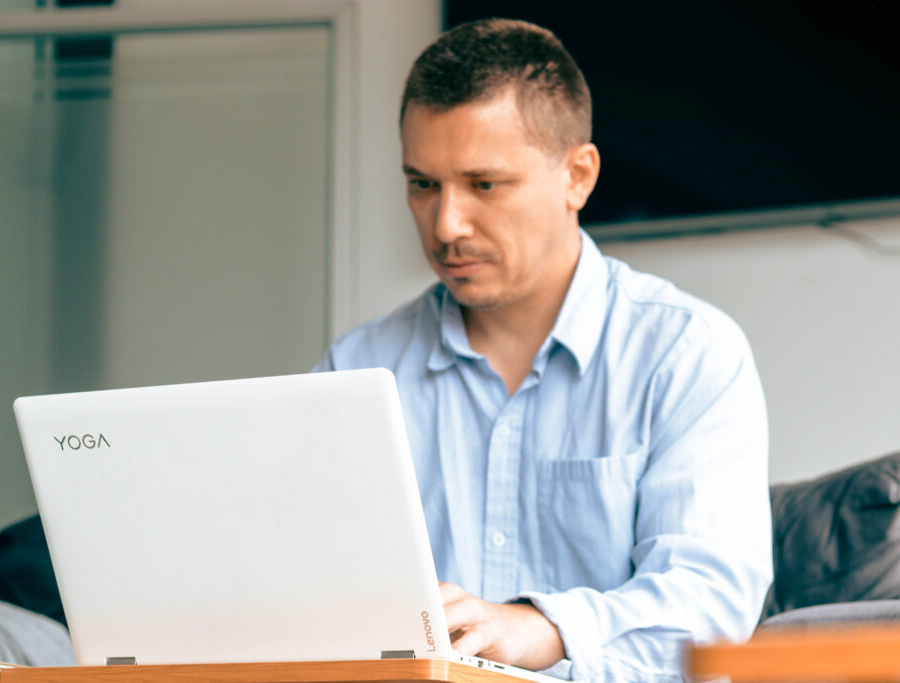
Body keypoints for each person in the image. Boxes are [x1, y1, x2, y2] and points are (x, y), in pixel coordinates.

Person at [314, 18, 772, 682]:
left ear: (577, 177)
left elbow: (709, 609)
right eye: (423, 184)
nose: (446, 225)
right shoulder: (355, 371)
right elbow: (306, 596)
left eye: (484, 184)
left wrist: (546, 629)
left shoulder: (688, 356)